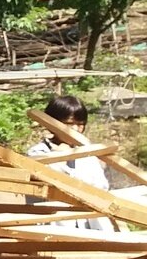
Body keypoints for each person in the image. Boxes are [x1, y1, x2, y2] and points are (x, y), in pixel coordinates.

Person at [27, 94, 115, 231]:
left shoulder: (88, 153)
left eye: (80, 124)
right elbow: (57, 185)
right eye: (68, 123)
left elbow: (101, 187)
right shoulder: (38, 154)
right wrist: (61, 156)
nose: (75, 129)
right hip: (53, 227)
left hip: (90, 226)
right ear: (52, 123)